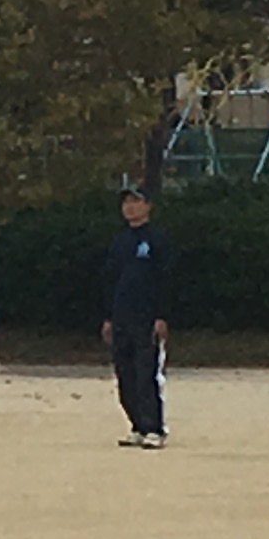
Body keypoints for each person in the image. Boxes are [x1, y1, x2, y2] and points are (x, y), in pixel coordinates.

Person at [99, 186, 172, 449]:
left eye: (136, 201)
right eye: (126, 202)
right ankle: (137, 425)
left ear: (148, 206)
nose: (130, 207)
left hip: (146, 319)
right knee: (125, 374)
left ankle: (155, 427)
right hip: (121, 318)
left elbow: (166, 280)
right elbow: (110, 280)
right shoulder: (120, 242)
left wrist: (162, 315)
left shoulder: (157, 239)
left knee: (146, 374)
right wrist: (108, 317)